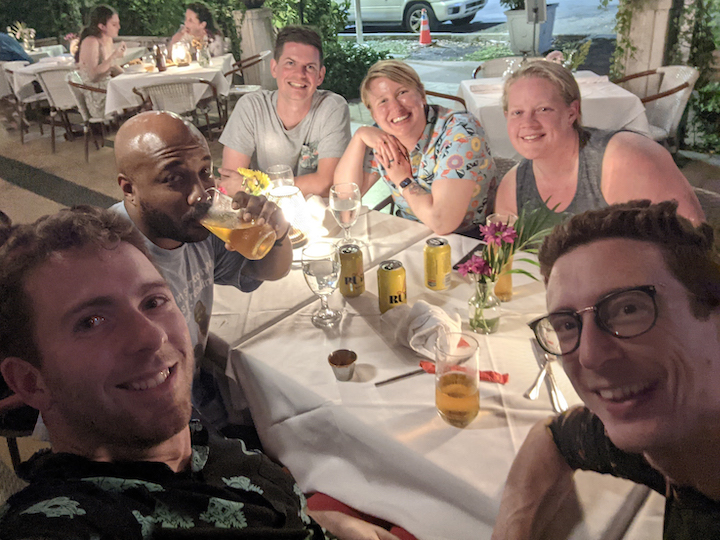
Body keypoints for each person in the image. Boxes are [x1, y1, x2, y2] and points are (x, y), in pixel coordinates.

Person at [0, 206, 404, 540]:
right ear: (31, 382)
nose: (152, 336)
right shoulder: (68, 522)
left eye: (154, 300)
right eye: (91, 321)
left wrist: (330, 524)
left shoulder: (198, 441)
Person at [492, 200, 720, 539]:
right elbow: (552, 435)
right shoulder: (673, 432)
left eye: (629, 308)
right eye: (567, 324)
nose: (590, 356)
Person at [112, 110, 292, 431]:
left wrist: (278, 234)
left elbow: (266, 270)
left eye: (205, 172)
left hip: (192, 392)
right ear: (129, 190)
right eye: (174, 178)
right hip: (143, 418)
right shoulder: (109, 260)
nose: (200, 194)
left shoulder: (195, 230)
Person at [494, 60, 704, 224]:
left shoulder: (624, 159)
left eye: (543, 109)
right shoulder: (513, 188)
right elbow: (502, 264)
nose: (528, 123)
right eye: (517, 112)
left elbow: (693, 240)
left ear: (571, 113)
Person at [334, 59, 498, 236]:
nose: (396, 107)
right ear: (372, 112)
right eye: (382, 101)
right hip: (409, 235)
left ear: (422, 94)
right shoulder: (382, 134)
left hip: (466, 242)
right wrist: (359, 136)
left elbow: (442, 222)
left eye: (402, 92)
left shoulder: (460, 132)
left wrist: (403, 180)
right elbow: (344, 196)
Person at [219, 25, 351, 198]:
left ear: (320, 75)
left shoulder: (332, 108)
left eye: (310, 67)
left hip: (315, 217)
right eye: (290, 63)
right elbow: (230, 184)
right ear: (274, 68)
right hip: (260, 212)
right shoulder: (251, 107)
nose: (300, 74)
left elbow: (327, 184)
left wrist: (253, 186)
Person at [74, 5, 127, 118]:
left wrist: (128, 76)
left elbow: (110, 66)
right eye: (114, 24)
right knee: (139, 97)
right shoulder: (91, 41)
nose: (119, 27)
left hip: (110, 88)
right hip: (100, 96)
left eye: (118, 23)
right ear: (102, 26)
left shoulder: (108, 39)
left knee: (140, 91)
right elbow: (93, 76)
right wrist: (114, 56)